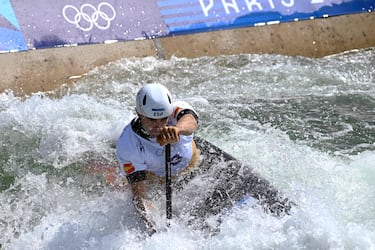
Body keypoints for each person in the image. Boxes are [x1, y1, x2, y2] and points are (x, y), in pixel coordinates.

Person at [116, 83, 199, 216]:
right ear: (139, 113)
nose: (158, 126)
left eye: (163, 119)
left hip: (191, 164)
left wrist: (177, 129)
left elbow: (191, 121)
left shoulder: (176, 109)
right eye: (152, 120)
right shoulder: (127, 145)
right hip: (156, 177)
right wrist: (154, 227)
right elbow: (140, 196)